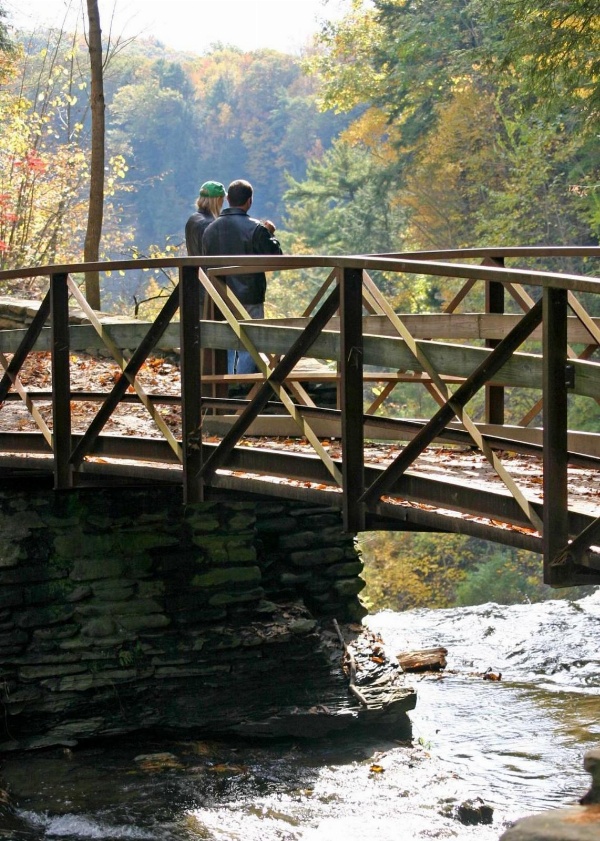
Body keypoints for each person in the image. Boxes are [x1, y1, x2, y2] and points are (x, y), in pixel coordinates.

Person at [202, 179, 282, 375]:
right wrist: (270, 233)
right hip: (249, 296)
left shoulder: (210, 229)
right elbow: (276, 258)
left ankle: (227, 386)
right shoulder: (256, 228)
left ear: (228, 199)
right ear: (250, 201)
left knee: (227, 342)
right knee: (250, 343)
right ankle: (242, 387)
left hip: (220, 296)